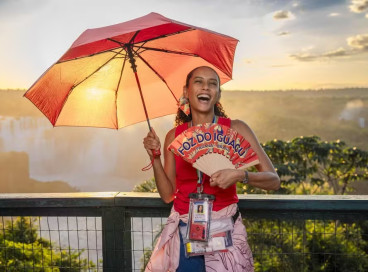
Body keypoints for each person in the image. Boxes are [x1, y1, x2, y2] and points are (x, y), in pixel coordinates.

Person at [143, 66, 280, 272]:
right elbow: (167, 195)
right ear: (186, 91)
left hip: (226, 230)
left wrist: (241, 175)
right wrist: (155, 158)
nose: (205, 86)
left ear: (218, 94)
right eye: (198, 81)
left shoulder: (237, 129)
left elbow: (273, 180)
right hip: (185, 231)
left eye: (212, 83)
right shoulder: (174, 137)